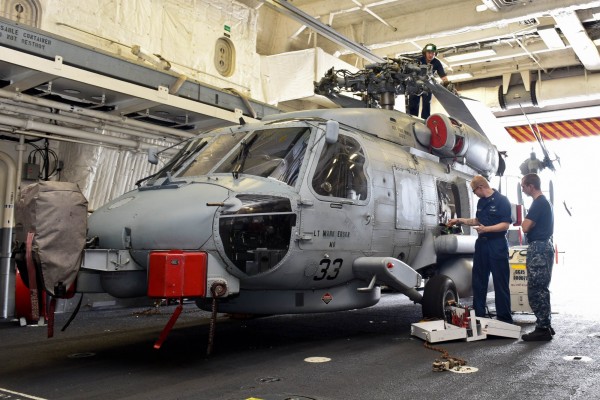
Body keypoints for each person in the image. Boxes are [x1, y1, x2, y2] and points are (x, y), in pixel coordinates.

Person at [447, 175, 513, 323]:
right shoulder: (481, 202)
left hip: (497, 244)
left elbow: (505, 225)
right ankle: (479, 317)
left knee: (500, 283)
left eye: (474, 190)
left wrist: (487, 229)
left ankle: (504, 320)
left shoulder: (502, 201)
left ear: (481, 187)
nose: (474, 193)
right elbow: (477, 221)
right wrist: (459, 220)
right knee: (478, 282)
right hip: (482, 244)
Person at [520, 173, 555, 341]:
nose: (522, 189)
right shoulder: (545, 202)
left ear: (531, 186)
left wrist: (524, 221)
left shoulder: (538, 203)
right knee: (542, 288)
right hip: (544, 246)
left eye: (523, 186)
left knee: (536, 289)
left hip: (539, 249)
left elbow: (525, 227)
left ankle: (542, 328)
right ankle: (545, 324)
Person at [408, 43, 449, 120]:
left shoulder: (437, 63)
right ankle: (412, 119)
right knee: (413, 104)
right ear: (425, 53)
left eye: (433, 53)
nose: (431, 55)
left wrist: (448, 85)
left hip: (427, 86)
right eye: (429, 53)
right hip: (416, 86)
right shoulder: (418, 61)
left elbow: (443, 76)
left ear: (435, 54)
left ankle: (425, 121)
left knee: (426, 104)